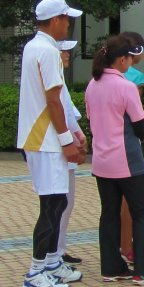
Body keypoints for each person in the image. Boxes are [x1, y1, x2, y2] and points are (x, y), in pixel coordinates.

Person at [16, 0, 86, 287]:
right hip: (45, 140)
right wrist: (67, 140)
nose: (68, 24)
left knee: (56, 204)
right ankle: (35, 272)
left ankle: (53, 262)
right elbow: (54, 100)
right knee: (51, 205)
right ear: (56, 20)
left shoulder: (35, 46)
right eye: (66, 18)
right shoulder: (47, 50)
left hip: (41, 139)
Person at [85, 35, 144, 284]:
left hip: (101, 160)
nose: (131, 61)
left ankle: (111, 268)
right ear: (122, 59)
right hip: (127, 159)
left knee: (109, 213)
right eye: (130, 57)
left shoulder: (92, 84)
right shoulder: (126, 86)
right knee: (141, 213)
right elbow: (140, 126)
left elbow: (90, 119)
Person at [55, 40, 88, 267]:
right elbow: (62, 113)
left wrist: (77, 134)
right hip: (58, 147)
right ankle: (53, 254)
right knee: (59, 203)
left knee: (66, 202)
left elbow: (68, 112)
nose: (67, 55)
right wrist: (74, 138)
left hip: (65, 143)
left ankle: (59, 249)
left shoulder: (60, 80)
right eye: (63, 51)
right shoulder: (54, 81)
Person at [118, 31, 144, 263]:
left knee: (112, 201)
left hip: (105, 144)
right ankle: (128, 247)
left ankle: (116, 246)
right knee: (131, 201)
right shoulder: (136, 77)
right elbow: (136, 112)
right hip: (128, 141)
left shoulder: (100, 76)